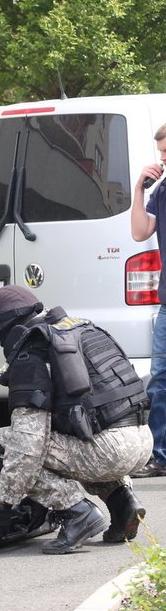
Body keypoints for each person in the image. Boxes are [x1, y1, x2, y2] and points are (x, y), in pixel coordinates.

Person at [0, 285, 151, 554]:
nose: (1, 344)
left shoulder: (32, 350)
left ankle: (78, 512)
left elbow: (27, 445)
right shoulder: (81, 328)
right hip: (141, 442)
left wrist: (4, 507)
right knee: (71, 442)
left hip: (108, 451)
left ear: (10, 326)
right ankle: (122, 502)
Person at [129, 124, 166, 478]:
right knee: (160, 379)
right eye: (161, 153)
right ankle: (160, 455)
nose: (163, 159)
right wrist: (139, 190)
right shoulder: (163, 190)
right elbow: (140, 231)